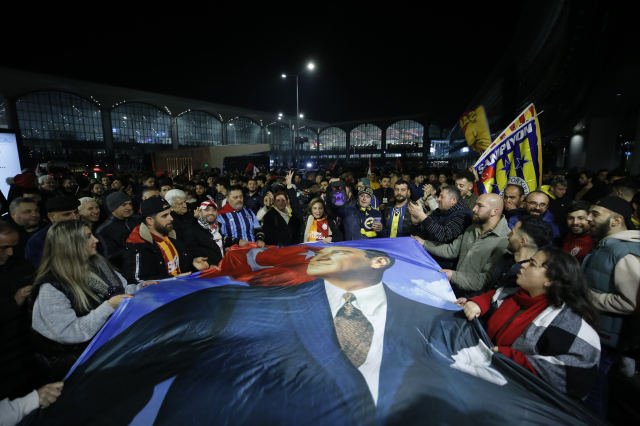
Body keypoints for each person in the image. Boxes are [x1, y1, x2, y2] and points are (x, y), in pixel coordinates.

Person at [459, 247, 600, 400]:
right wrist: (478, 303)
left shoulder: (568, 321)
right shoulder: (515, 294)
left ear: (550, 280)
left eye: (532, 264)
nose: (523, 265)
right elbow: (493, 297)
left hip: (516, 396)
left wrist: (513, 359)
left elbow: (578, 374)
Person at [30, 220, 144, 381]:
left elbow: (122, 291)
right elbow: (69, 333)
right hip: (77, 370)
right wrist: (109, 307)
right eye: (88, 237)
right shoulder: (52, 287)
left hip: (106, 355)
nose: (95, 240)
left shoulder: (99, 264)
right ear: (70, 244)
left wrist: (143, 287)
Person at [581, 197, 640, 417]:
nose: (588, 218)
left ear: (616, 220)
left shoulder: (624, 252)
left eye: (595, 214)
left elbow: (632, 302)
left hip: (606, 335)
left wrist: (585, 296)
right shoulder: (608, 246)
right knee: (595, 384)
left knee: (592, 389)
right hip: (600, 330)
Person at [412, 193, 510, 297]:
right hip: (455, 291)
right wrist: (424, 243)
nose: (474, 209)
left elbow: (486, 280)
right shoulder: (472, 228)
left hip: (475, 300)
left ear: (494, 211)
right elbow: (451, 250)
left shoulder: (504, 241)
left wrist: (453, 276)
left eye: (480, 206)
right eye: (475, 204)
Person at [122, 198, 209, 283]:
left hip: (181, 291)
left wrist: (192, 263)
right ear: (150, 220)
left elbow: (176, 266)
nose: (171, 218)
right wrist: (172, 279)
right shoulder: (138, 246)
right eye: (165, 215)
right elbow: (136, 281)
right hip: (163, 296)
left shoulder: (172, 235)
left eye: (170, 214)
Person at [0, 222, 39, 402]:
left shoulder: (23, 265)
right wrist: (13, 302)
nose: (10, 253)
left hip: (32, 351)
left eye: (13, 247)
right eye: (3, 248)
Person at [484, 216, 554, 293]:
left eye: (512, 233)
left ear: (522, 241)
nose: (508, 235)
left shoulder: (527, 276)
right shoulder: (505, 259)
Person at [25, 197, 80, 267]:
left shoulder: (85, 232)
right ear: (52, 217)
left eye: (76, 212)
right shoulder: (37, 241)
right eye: (67, 214)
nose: (75, 217)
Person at [183, 199, 235, 267]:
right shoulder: (191, 232)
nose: (211, 212)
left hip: (222, 270)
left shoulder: (218, 227)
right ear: (199, 213)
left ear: (217, 213)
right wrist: (208, 266)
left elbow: (212, 247)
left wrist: (224, 249)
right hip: (207, 275)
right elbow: (189, 257)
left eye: (214, 210)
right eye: (206, 210)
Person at [95, 192, 141, 269]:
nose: (129, 207)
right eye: (124, 204)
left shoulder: (138, 220)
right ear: (113, 207)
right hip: (125, 270)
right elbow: (109, 256)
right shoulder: (103, 230)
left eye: (130, 203)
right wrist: (133, 247)